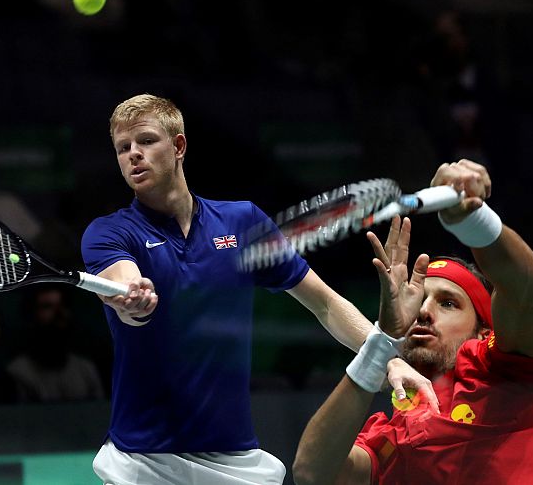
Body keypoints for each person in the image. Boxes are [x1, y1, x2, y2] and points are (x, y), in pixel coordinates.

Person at [80, 94, 374, 484]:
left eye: (146, 141)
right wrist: (130, 298)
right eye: (123, 148)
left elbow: (325, 304)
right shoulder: (109, 232)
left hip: (236, 461)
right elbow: (122, 281)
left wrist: (389, 357)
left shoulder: (241, 222)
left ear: (179, 146)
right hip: (143, 464)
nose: (134, 154)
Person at [293, 159, 533, 483]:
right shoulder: (389, 434)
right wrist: (383, 340)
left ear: (486, 331)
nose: (423, 312)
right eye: (419, 301)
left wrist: (471, 220)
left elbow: (528, 287)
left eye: (448, 303)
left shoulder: (516, 370)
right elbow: (312, 474)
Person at [6, 285, 105, 403]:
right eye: (47, 307)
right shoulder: (19, 372)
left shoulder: (86, 369)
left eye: (62, 305)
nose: (59, 313)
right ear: (32, 315)